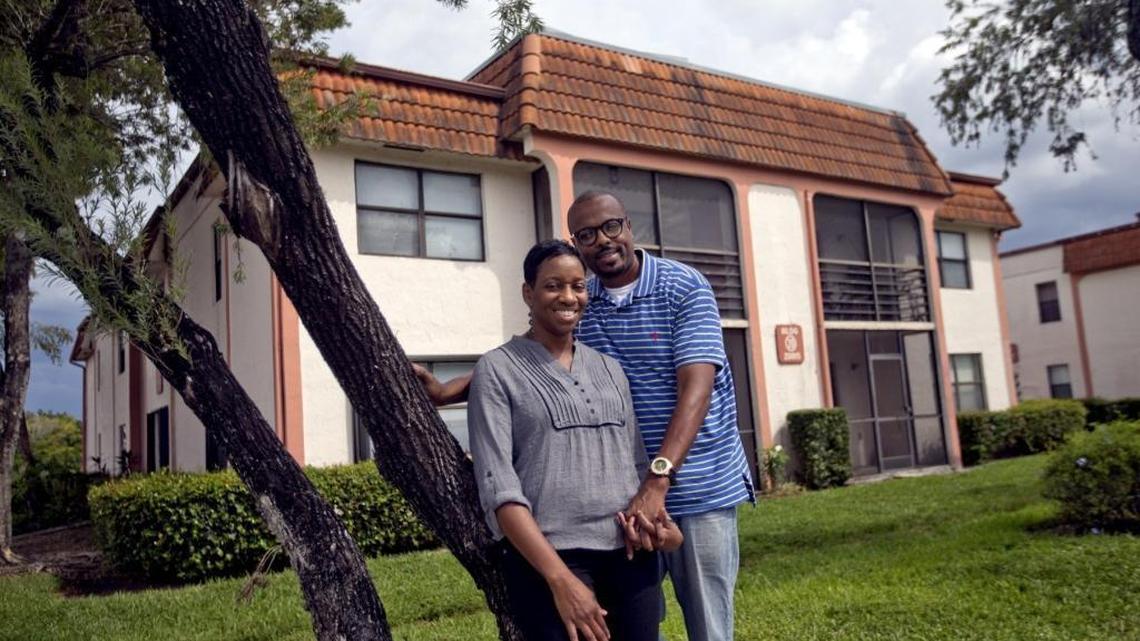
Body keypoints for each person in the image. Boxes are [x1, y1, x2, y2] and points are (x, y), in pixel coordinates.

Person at [417, 193, 753, 641]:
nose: (603, 242)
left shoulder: (682, 287)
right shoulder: (583, 295)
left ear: (629, 226)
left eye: (611, 227)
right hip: (622, 506)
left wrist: (657, 482)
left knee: (709, 627)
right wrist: (447, 390)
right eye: (587, 235)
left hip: (694, 488)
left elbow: (697, 388)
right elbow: (527, 362)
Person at [467, 239, 682, 641]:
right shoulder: (497, 370)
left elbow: (635, 466)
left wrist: (660, 528)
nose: (568, 297)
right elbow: (500, 491)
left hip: (631, 558)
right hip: (551, 562)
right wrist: (560, 580)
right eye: (553, 286)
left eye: (578, 286)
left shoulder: (610, 369)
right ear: (528, 293)